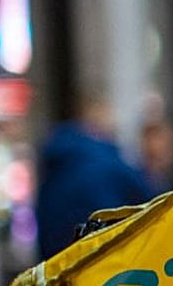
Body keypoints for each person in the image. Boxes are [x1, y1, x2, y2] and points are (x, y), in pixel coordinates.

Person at [34, 98, 156, 258]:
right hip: (106, 254)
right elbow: (152, 200)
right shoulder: (110, 161)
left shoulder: (54, 164)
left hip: (60, 259)